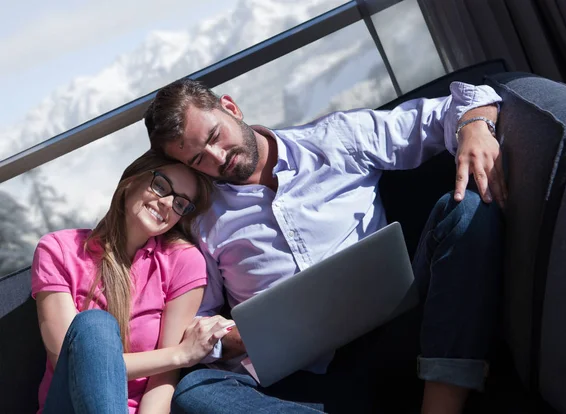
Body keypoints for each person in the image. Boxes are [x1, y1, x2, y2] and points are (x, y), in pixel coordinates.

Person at [144, 78, 506, 414]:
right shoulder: (201, 221)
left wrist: (474, 127)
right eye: (198, 160)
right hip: (309, 382)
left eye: (214, 136)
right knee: (196, 392)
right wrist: (240, 337)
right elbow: (198, 325)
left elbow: (462, 104)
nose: (218, 158)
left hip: (403, 330)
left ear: (231, 108)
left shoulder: (335, 137)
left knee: (466, 211)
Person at [31, 150, 237, 414]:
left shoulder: (183, 262)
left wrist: (172, 360)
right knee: (95, 325)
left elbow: (162, 381)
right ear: (131, 179)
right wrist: (181, 355)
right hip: (68, 404)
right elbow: (68, 362)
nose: (167, 203)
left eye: (180, 203)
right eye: (161, 185)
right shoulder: (59, 249)